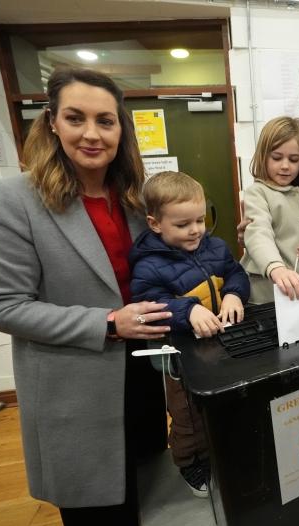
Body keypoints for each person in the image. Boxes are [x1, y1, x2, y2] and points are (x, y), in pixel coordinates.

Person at [0, 67, 169, 526]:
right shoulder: (15, 198)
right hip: (77, 391)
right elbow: (2, 305)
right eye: (75, 118)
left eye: (105, 120)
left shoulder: (131, 198)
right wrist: (107, 323)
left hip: (140, 378)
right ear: (51, 123)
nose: (91, 133)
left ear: (121, 129)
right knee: (99, 521)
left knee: (150, 504)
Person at [129, 170, 250, 496]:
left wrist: (235, 293)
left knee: (223, 405)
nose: (195, 230)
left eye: (199, 220)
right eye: (183, 225)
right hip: (180, 358)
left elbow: (235, 273)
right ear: (155, 224)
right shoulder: (147, 264)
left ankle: (222, 452)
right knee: (187, 415)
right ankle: (190, 462)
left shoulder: (216, 247)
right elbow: (147, 304)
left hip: (219, 346)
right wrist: (189, 310)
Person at [240, 116, 299, 303]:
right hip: (264, 294)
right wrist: (275, 267)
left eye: (294, 160)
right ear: (263, 156)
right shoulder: (257, 193)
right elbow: (258, 233)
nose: (285, 166)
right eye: (277, 158)